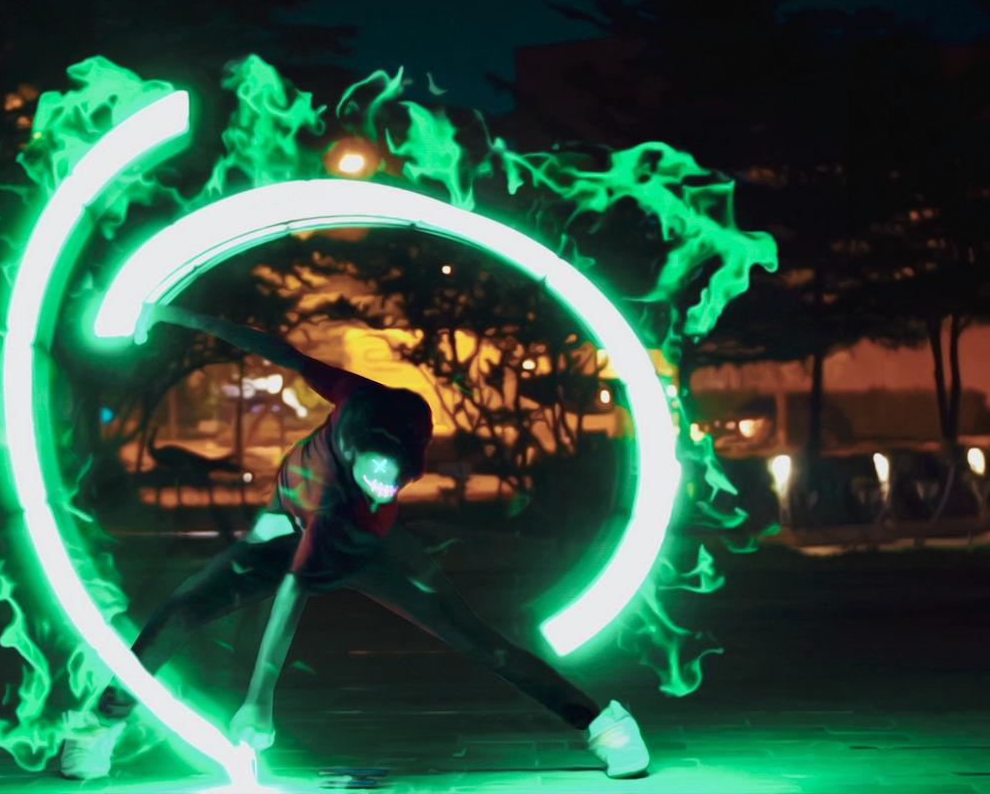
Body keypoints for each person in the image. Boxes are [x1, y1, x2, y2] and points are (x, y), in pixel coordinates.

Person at [60, 303, 650, 780]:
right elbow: (280, 351)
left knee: (479, 641)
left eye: (392, 480)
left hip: (369, 551)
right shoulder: (357, 396)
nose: (379, 485)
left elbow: (293, 590)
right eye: (374, 473)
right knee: (180, 608)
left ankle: (603, 723)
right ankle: (99, 726)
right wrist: (175, 314)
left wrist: (259, 699)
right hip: (278, 523)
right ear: (353, 439)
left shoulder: (356, 512)